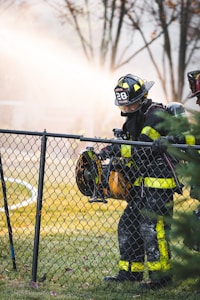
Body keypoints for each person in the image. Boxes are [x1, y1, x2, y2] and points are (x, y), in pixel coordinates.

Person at [99, 74, 179, 289]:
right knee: (129, 224)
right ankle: (130, 272)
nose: (126, 109)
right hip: (141, 183)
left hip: (160, 182)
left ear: (143, 98)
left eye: (130, 104)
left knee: (152, 227)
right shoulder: (132, 119)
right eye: (123, 105)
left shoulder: (156, 116)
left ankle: (161, 278)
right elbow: (129, 148)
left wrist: (114, 148)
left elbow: (141, 148)